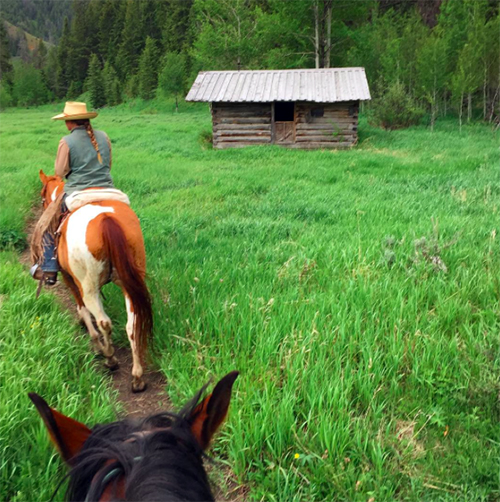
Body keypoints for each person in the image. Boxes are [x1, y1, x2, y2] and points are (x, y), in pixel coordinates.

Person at [31, 102, 114, 286]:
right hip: (108, 190)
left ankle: (49, 269)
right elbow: (108, 164)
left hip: (78, 191)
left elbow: (59, 172)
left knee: (48, 222)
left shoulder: (66, 141)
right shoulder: (104, 136)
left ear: (69, 123)